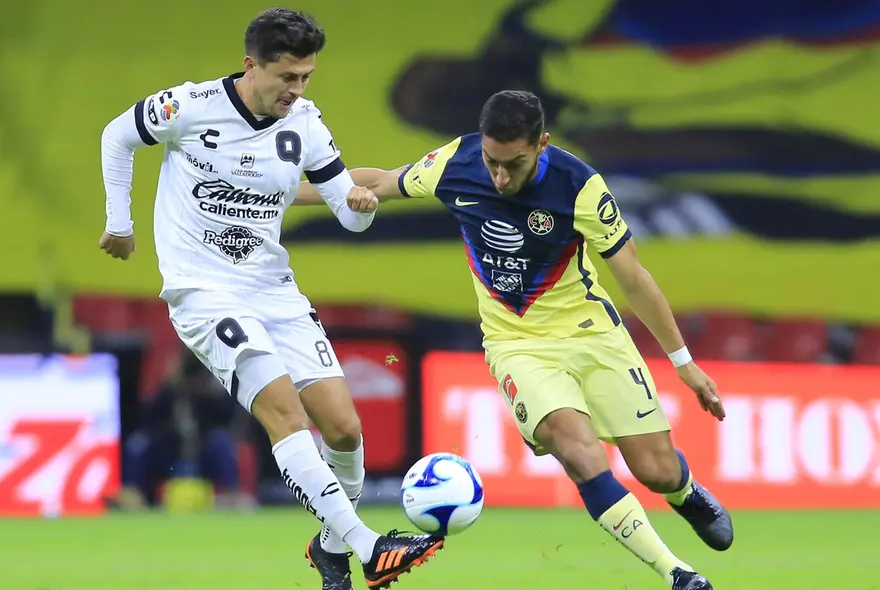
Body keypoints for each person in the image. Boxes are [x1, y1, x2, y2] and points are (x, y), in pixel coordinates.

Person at [297, 90, 733, 590]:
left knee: (655, 470)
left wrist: (683, 363)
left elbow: (633, 276)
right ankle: (676, 572)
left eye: (514, 164)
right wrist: (278, 191)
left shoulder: (579, 186)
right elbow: (379, 181)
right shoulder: (457, 163)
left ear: (542, 144)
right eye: (491, 162)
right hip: (516, 343)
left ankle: (685, 493)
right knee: (578, 450)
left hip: (591, 332)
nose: (499, 177)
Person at [97, 8, 444, 590]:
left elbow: (346, 210)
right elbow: (117, 135)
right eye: (287, 77)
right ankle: (368, 545)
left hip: (273, 290)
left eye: (306, 76)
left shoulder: (305, 125)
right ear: (250, 65)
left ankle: (332, 550)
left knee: (345, 430)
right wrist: (119, 222)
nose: (298, 89)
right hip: (204, 291)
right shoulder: (191, 106)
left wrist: (360, 209)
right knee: (284, 410)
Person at [120, 350, 250, 509]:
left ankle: (230, 496)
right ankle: (134, 495)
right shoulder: (169, 392)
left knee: (221, 441)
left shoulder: (209, 394)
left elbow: (228, 417)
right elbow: (146, 417)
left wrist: (212, 391)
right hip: (169, 449)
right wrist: (170, 386)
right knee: (138, 442)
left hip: (203, 449)